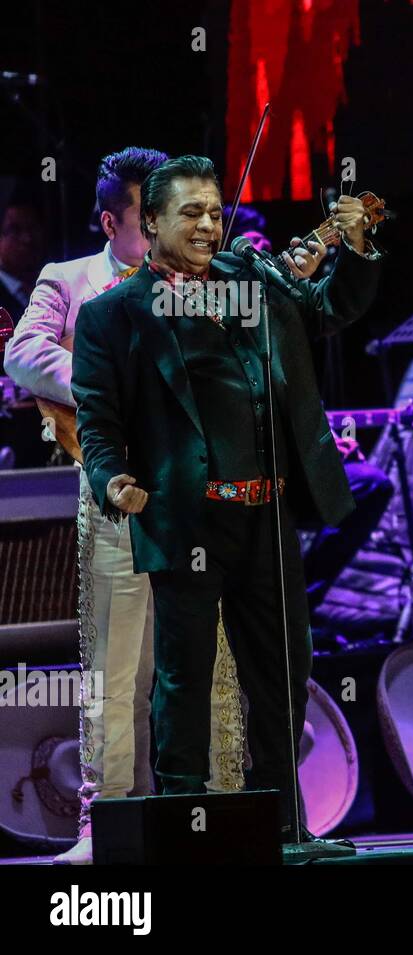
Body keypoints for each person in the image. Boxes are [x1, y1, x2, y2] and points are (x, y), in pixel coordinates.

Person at [71, 154, 383, 855]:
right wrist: (113, 478)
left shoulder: (255, 281)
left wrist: (355, 241)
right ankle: (184, 824)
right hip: (186, 517)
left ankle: (285, 826)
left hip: (267, 513)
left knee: (283, 669)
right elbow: (98, 421)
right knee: (183, 678)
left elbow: (333, 306)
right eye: (191, 213)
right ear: (149, 223)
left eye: (215, 211)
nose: (209, 224)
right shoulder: (112, 315)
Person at [4, 148, 259, 863]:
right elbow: (22, 354)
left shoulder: (204, 280)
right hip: (116, 501)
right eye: (148, 217)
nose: (162, 227)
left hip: (197, 501)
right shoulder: (67, 280)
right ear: (113, 219)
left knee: (210, 661)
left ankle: (218, 808)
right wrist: (110, 383)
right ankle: (103, 824)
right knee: (113, 667)